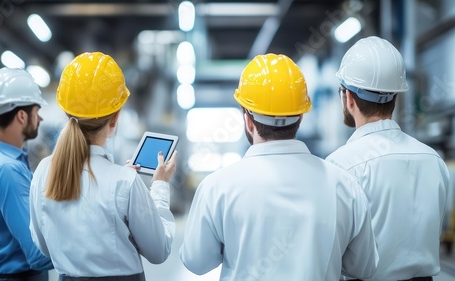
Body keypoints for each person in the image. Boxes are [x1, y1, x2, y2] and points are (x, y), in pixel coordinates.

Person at [180, 53, 378, 280]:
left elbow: (196, 262)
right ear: (301, 116)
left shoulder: (217, 187)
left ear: (247, 119)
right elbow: (363, 268)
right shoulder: (344, 185)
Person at [29, 52, 177, 281]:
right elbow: (159, 251)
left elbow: (44, 246)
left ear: (66, 111)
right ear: (115, 119)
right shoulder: (125, 182)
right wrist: (159, 187)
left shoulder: (43, 172)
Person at [326, 36, 450, 281]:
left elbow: (330, 253)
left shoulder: (339, 166)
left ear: (348, 97)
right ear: (396, 96)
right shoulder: (433, 160)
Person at [0, 68, 54, 280]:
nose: (40, 119)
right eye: (36, 112)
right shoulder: (6, 169)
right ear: (21, 115)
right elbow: (37, 254)